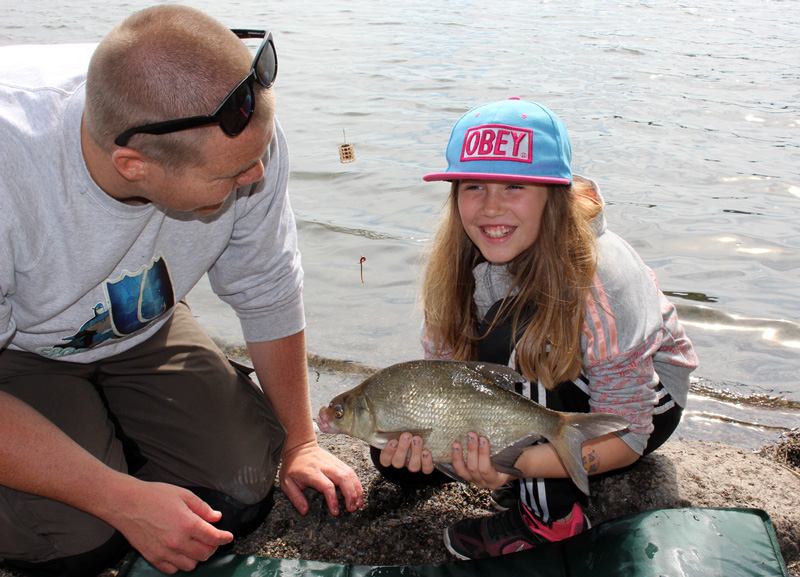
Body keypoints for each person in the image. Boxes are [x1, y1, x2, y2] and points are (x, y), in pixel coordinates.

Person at [0, 6, 363, 577]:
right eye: (231, 176)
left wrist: (300, 442)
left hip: (144, 316)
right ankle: (99, 445)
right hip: (16, 349)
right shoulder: (10, 167)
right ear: (133, 165)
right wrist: (118, 498)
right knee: (79, 540)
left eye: (258, 157)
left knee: (238, 495)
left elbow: (266, 286)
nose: (257, 179)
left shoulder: (242, 137)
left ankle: (110, 430)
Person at [376, 97, 698, 559]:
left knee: (523, 339)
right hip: (546, 395)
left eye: (514, 186)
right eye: (473, 186)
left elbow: (629, 437)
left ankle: (551, 522)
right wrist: (443, 447)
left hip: (637, 407)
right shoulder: (454, 263)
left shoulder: (603, 277)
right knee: (394, 455)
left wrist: (517, 467)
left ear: (555, 195)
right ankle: (524, 465)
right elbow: (445, 379)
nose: (490, 208)